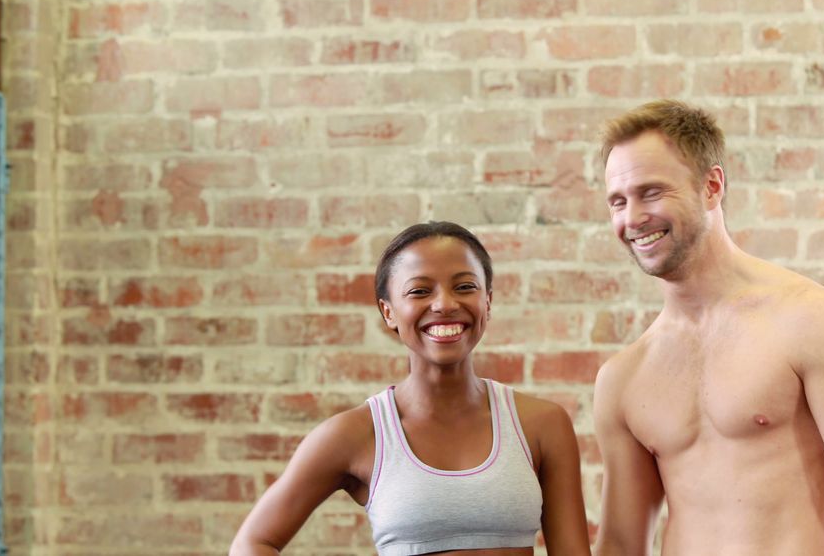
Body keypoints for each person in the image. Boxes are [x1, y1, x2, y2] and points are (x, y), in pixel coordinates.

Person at [591, 100, 824, 556]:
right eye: (618, 202)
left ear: (712, 187)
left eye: (652, 192)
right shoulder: (622, 378)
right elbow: (622, 543)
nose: (632, 218)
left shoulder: (812, 320)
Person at [230, 221, 591, 556]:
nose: (445, 304)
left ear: (488, 302)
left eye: (465, 287)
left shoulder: (543, 425)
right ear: (388, 312)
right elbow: (254, 542)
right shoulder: (356, 434)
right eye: (419, 291)